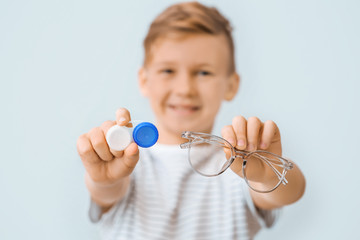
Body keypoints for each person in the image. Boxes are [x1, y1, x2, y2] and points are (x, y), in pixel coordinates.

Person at [76, 2, 306, 239]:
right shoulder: (127, 163)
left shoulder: (237, 166)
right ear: (144, 80)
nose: (185, 89)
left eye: (204, 72)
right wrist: (103, 180)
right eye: (168, 71)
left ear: (231, 85)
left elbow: (289, 191)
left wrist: (268, 173)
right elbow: (106, 191)